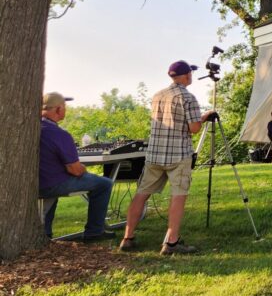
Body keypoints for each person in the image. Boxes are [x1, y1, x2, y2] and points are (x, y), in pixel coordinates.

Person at [120, 61, 213, 254]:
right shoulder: (188, 97)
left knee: (141, 194)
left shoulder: (157, 96)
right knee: (178, 195)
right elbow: (194, 128)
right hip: (178, 154)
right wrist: (204, 117)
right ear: (187, 75)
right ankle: (171, 242)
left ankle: (127, 237)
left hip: (154, 154)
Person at [38, 92, 115, 241]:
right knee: (104, 184)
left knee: (52, 186)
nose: (65, 110)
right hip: (52, 184)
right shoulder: (59, 134)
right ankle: (95, 232)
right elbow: (75, 169)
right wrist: (83, 169)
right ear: (59, 110)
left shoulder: (30, 129)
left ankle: (45, 234)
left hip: (35, 182)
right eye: (65, 107)